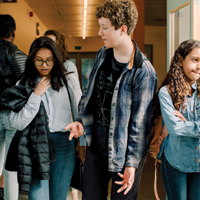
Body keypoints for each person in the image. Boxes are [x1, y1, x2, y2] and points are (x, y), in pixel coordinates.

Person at [65, 0, 157, 199]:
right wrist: (80, 121)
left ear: (123, 29)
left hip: (123, 154)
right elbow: (90, 96)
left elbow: (140, 125)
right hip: (96, 147)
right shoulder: (102, 55)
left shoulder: (144, 72)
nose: (100, 32)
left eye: (104, 27)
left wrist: (132, 164)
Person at [2, 36, 85, 200]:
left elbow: (80, 116)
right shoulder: (24, 82)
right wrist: (35, 95)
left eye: (49, 60)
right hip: (35, 144)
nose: (44, 65)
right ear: (32, 59)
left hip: (63, 144)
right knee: (37, 197)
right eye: (39, 60)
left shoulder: (69, 81)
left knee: (58, 197)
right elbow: (18, 122)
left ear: (56, 59)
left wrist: (82, 146)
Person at [152, 39, 200, 200]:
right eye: (195, 60)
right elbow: (174, 128)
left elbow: (181, 127)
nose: (199, 66)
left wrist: (185, 123)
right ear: (181, 60)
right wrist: (189, 126)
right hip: (175, 162)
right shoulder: (167, 92)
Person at [44, 29, 81, 200]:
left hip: (62, 138)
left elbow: (78, 102)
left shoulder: (68, 67)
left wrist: (82, 138)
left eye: (52, 43)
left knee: (57, 193)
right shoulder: (38, 71)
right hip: (41, 139)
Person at [0, 14, 27, 200]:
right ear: (13, 32)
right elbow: (27, 85)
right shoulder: (17, 55)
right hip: (12, 114)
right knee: (10, 168)